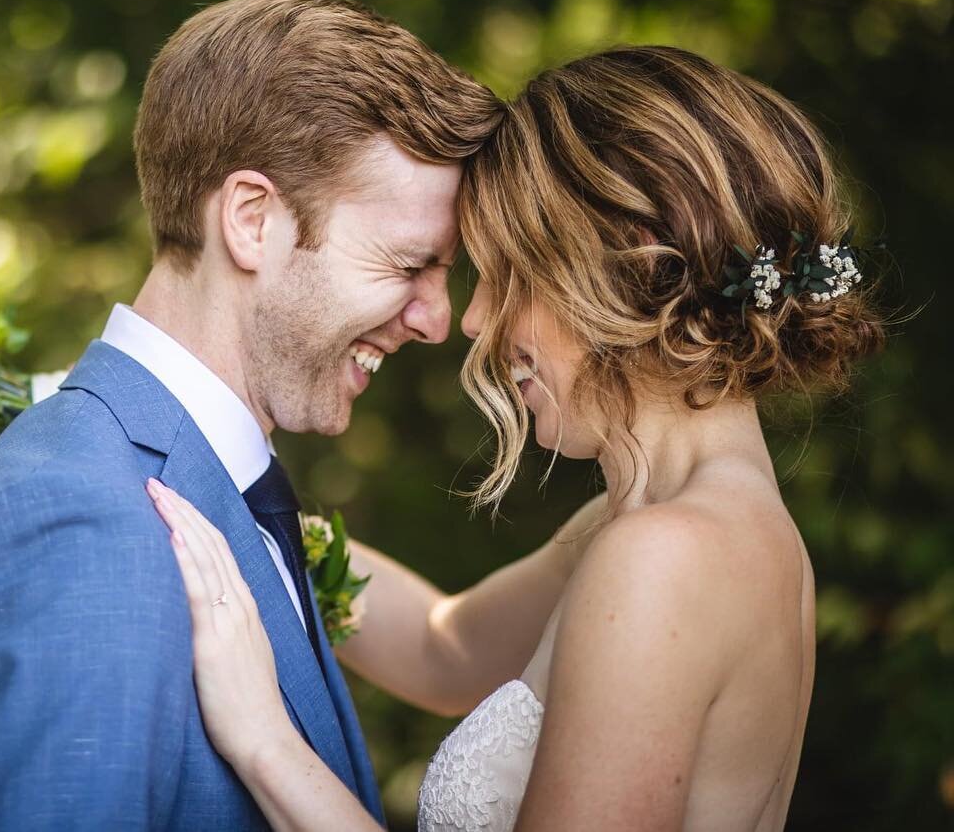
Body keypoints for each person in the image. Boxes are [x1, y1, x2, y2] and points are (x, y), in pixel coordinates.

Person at [148, 45, 884, 831]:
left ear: (615, 268)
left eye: (507, 276)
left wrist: (266, 742)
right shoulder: (679, 529)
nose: (471, 321)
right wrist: (237, 507)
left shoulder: (665, 555)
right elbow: (444, 648)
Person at [0, 0, 504, 829]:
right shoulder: (74, 526)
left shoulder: (205, 488)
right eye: (407, 264)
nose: (434, 319)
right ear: (251, 220)